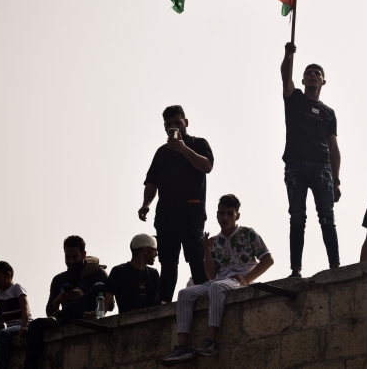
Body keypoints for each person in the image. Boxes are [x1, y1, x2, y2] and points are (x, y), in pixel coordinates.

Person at [160, 194, 273, 365]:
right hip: (222, 280)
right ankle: (182, 345)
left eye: (229, 213)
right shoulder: (216, 240)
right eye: (221, 213)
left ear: (237, 215)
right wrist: (207, 251)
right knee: (185, 294)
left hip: (238, 280)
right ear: (217, 214)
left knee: (217, 288)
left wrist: (246, 279)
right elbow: (211, 275)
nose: (225, 218)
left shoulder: (248, 233)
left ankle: (211, 340)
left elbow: (268, 260)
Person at [139, 105, 214, 302]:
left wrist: (183, 149)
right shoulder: (162, 153)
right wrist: (146, 203)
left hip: (191, 209)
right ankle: (164, 302)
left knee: (195, 256)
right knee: (168, 261)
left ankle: (205, 298)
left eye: (177, 123)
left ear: (185, 123)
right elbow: (151, 181)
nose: (173, 126)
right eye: (169, 124)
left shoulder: (197, 143)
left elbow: (206, 166)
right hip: (166, 213)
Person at [280, 42, 341, 278]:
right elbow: (285, 78)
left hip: (321, 167)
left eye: (317, 73)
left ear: (323, 81)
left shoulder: (328, 112)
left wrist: (336, 180)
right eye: (308, 73)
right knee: (297, 216)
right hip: (295, 165)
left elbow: (333, 147)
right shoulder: (294, 98)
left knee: (326, 215)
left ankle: (335, 265)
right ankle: (296, 269)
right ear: (303, 81)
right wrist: (288, 56)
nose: (313, 76)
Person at [23, 236, 110, 369]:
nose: (71, 261)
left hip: (88, 316)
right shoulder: (59, 279)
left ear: (84, 254)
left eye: (75, 257)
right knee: (35, 325)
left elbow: (110, 305)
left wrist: (85, 297)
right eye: (67, 257)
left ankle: (63, 314)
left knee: (99, 286)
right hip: (64, 319)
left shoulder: (98, 273)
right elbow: (49, 311)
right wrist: (59, 299)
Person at [102, 234, 160, 314]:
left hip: (152, 325)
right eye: (154, 250)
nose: (156, 253)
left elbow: (158, 305)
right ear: (145, 250)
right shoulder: (118, 272)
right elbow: (104, 307)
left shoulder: (154, 274)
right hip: (126, 325)